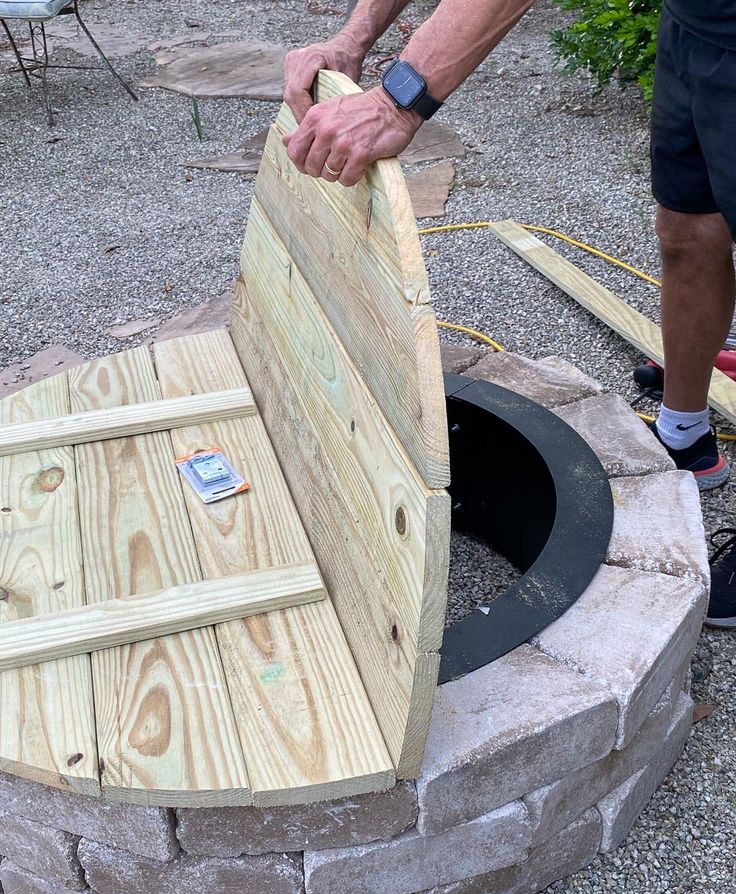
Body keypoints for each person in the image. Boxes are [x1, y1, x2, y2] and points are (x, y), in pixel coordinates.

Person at [281, 0, 736, 628]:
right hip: (699, 26)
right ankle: (685, 436)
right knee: (689, 230)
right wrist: (356, 36)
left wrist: (396, 100)